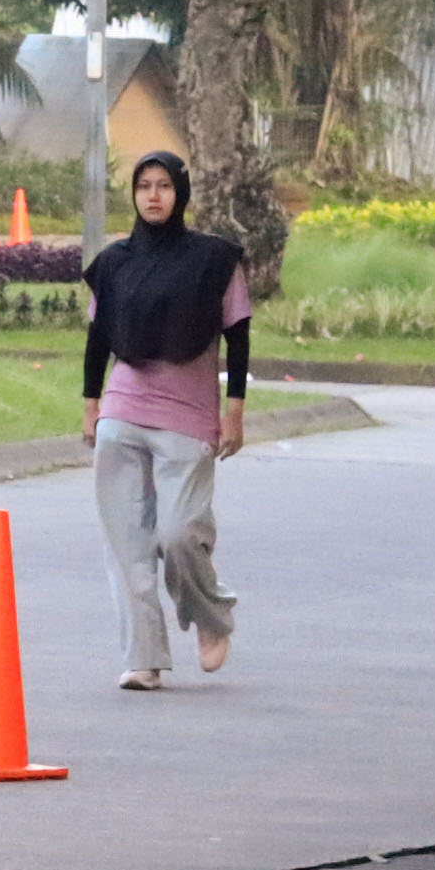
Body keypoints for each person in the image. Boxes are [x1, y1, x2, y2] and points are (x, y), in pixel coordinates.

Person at [80, 150, 246, 690]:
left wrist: (235, 411)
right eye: (144, 186)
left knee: (178, 535)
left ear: (181, 193)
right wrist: (91, 405)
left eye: (164, 186)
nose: (153, 196)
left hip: (187, 416)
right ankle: (143, 659)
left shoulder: (215, 260)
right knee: (126, 544)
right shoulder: (114, 262)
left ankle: (210, 615)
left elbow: (238, 336)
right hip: (122, 409)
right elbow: (99, 338)